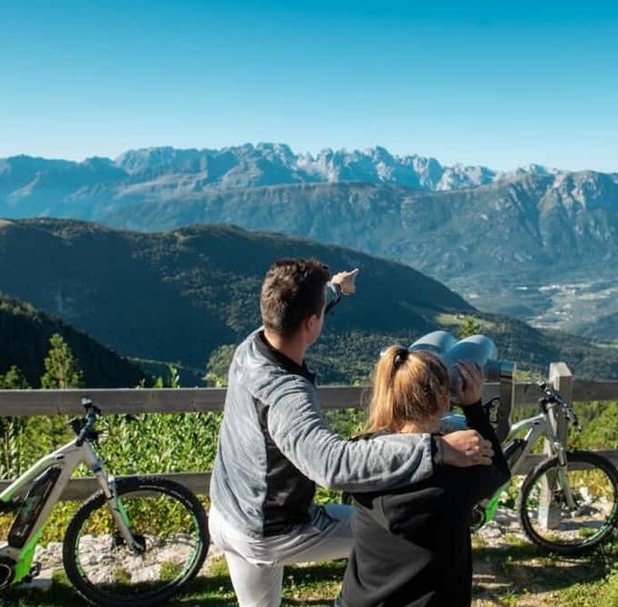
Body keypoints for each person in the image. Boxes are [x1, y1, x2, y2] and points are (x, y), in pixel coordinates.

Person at [209, 258, 494, 607]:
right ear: (311, 323)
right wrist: (436, 450)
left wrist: (334, 289)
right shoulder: (286, 395)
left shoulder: (250, 347)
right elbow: (333, 464)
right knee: (384, 531)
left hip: (227, 515)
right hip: (271, 532)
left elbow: (297, 309)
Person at [338, 346, 511, 607]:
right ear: (444, 400)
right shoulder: (456, 473)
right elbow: (498, 469)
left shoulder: (364, 453)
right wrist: (473, 407)